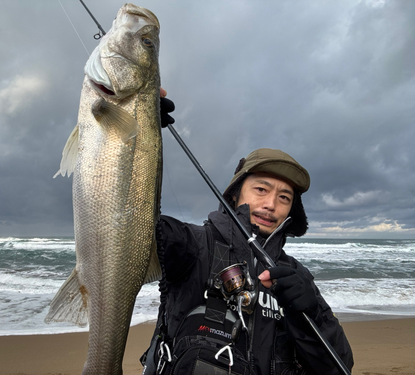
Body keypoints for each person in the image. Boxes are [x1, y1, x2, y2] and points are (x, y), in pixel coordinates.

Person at [141, 96, 354, 375]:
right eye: (261, 190)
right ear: (234, 193)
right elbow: (126, 226)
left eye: (284, 197)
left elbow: (339, 368)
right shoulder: (191, 244)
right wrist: (139, 123)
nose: (271, 205)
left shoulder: (295, 275)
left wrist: (309, 313)